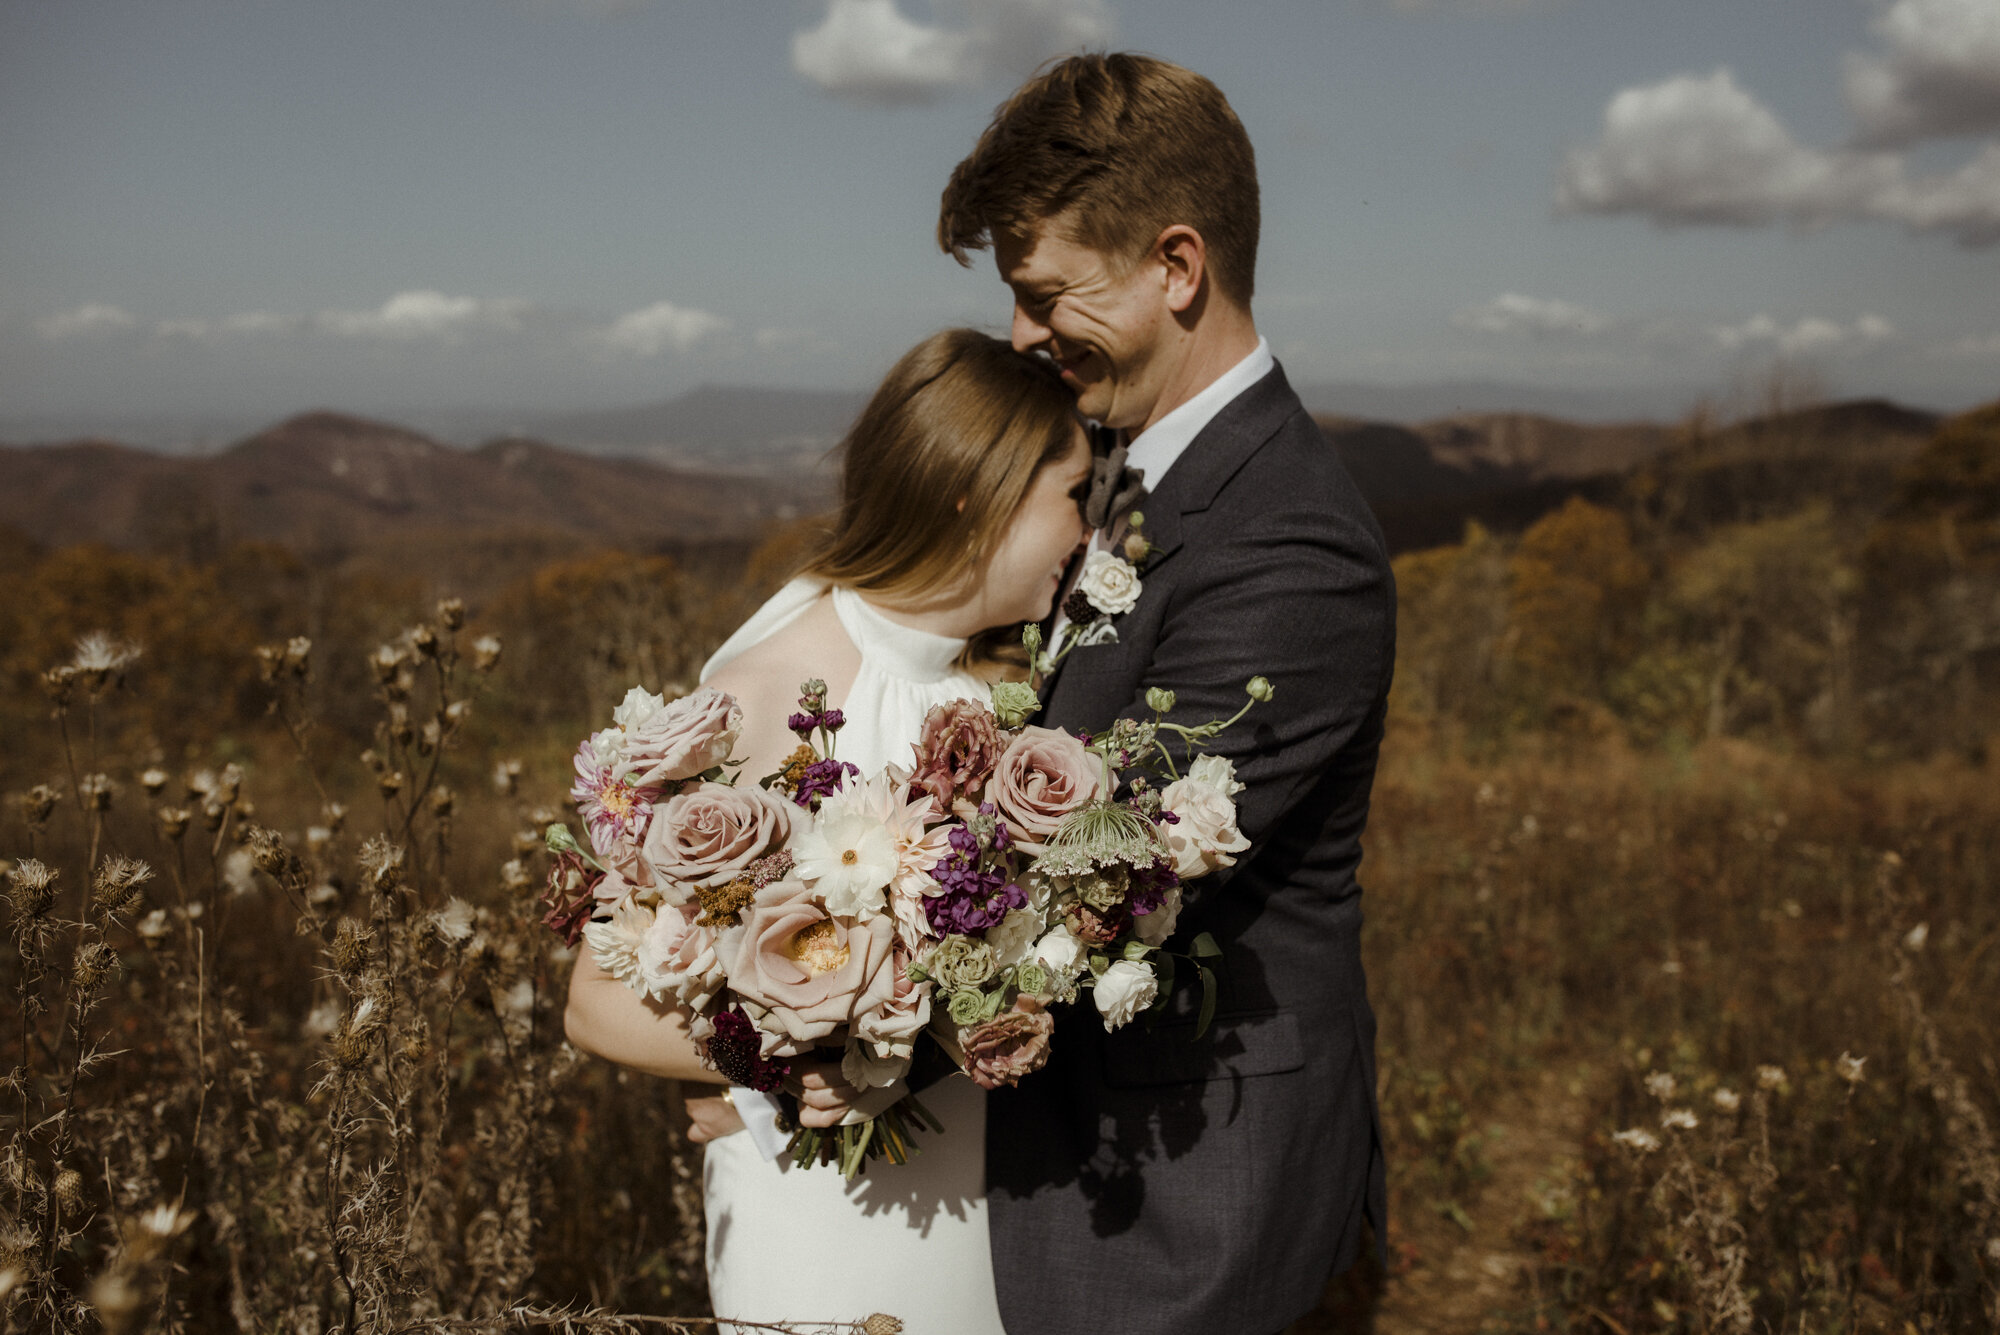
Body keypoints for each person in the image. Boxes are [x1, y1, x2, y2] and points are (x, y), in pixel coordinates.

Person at [936, 53, 1395, 1334]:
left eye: (1046, 294)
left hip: (1189, 1208)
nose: (1023, 333)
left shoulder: (1289, 544)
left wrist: (795, 1026)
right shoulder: (1129, 475)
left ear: (1175, 268)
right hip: (1073, 1158)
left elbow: (1089, 871)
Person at [562, 328, 1092, 1334]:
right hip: (824, 1220)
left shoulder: (1015, 684)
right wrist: (785, 1070)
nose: (1086, 531)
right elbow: (594, 1005)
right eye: (1070, 495)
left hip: (997, 1209)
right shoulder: (762, 695)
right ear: (978, 499)